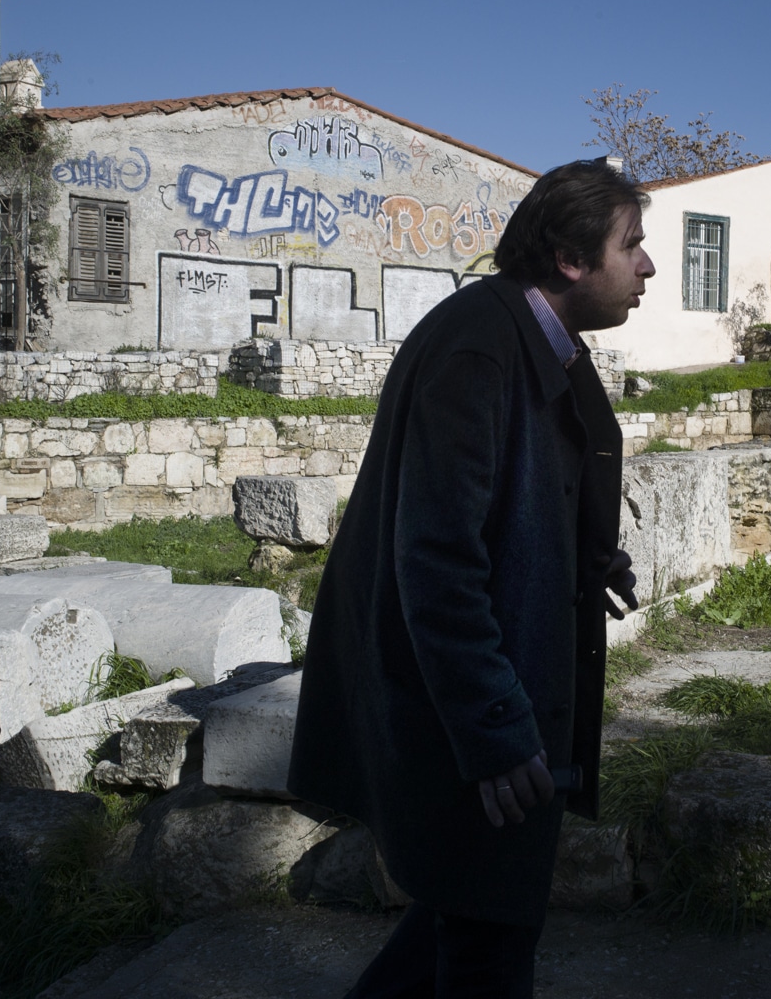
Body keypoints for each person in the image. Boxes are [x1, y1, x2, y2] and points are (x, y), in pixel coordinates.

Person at [289, 159, 655, 998]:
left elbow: (516, 496)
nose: (646, 266)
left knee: (471, 915)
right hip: (461, 710)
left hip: (491, 691)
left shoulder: (528, 336)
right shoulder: (477, 348)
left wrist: (579, 559)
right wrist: (494, 731)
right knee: (488, 932)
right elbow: (436, 555)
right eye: (630, 245)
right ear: (570, 259)